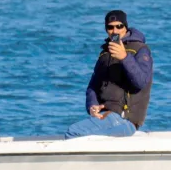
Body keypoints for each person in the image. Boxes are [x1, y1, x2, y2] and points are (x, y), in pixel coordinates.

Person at [64, 10, 153, 139]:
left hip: (125, 119)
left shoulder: (140, 49)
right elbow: (93, 86)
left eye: (119, 26)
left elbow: (140, 82)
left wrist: (124, 57)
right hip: (107, 115)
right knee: (81, 134)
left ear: (125, 27)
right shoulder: (105, 53)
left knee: (74, 132)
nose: (115, 31)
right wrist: (92, 105)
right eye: (110, 27)